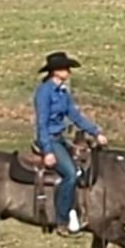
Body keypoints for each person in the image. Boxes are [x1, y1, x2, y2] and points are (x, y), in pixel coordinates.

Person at [33, 51, 108, 236]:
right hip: (49, 139)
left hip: (60, 137)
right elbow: (41, 123)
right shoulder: (44, 92)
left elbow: (74, 116)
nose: (68, 71)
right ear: (55, 71)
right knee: (70, 175)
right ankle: (61, 220)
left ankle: (79, 212)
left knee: (84, 166)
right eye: (65, 68)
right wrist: (48, 151)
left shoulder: (62, 92)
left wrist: (96, 132)